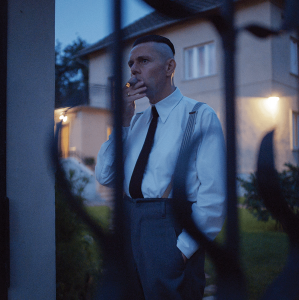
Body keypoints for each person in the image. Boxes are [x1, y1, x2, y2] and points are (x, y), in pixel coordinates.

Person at [96, 35, 226, 300]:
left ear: (169, 68)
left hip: (170, 229)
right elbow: (105, 175)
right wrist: (121, 122)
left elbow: (214, 195)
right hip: (129, 224)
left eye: (143, 60)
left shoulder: (199, 115)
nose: (133, 69)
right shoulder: (137, 121)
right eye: (131, 63)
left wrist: (182, 249)